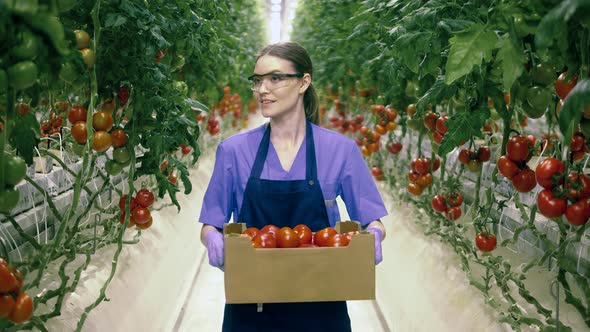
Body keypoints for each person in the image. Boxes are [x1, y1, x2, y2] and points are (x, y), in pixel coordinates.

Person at [198, 41, 387, 332]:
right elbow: (211, 223)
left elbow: (371, 217)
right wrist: (212, 238)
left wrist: (374, 234)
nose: (263, 89)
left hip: (321, 303)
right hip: (252, 305)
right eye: (257, 80)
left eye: (275, 78)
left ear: (303, 82)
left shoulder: (339, 150)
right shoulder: (234, 151)